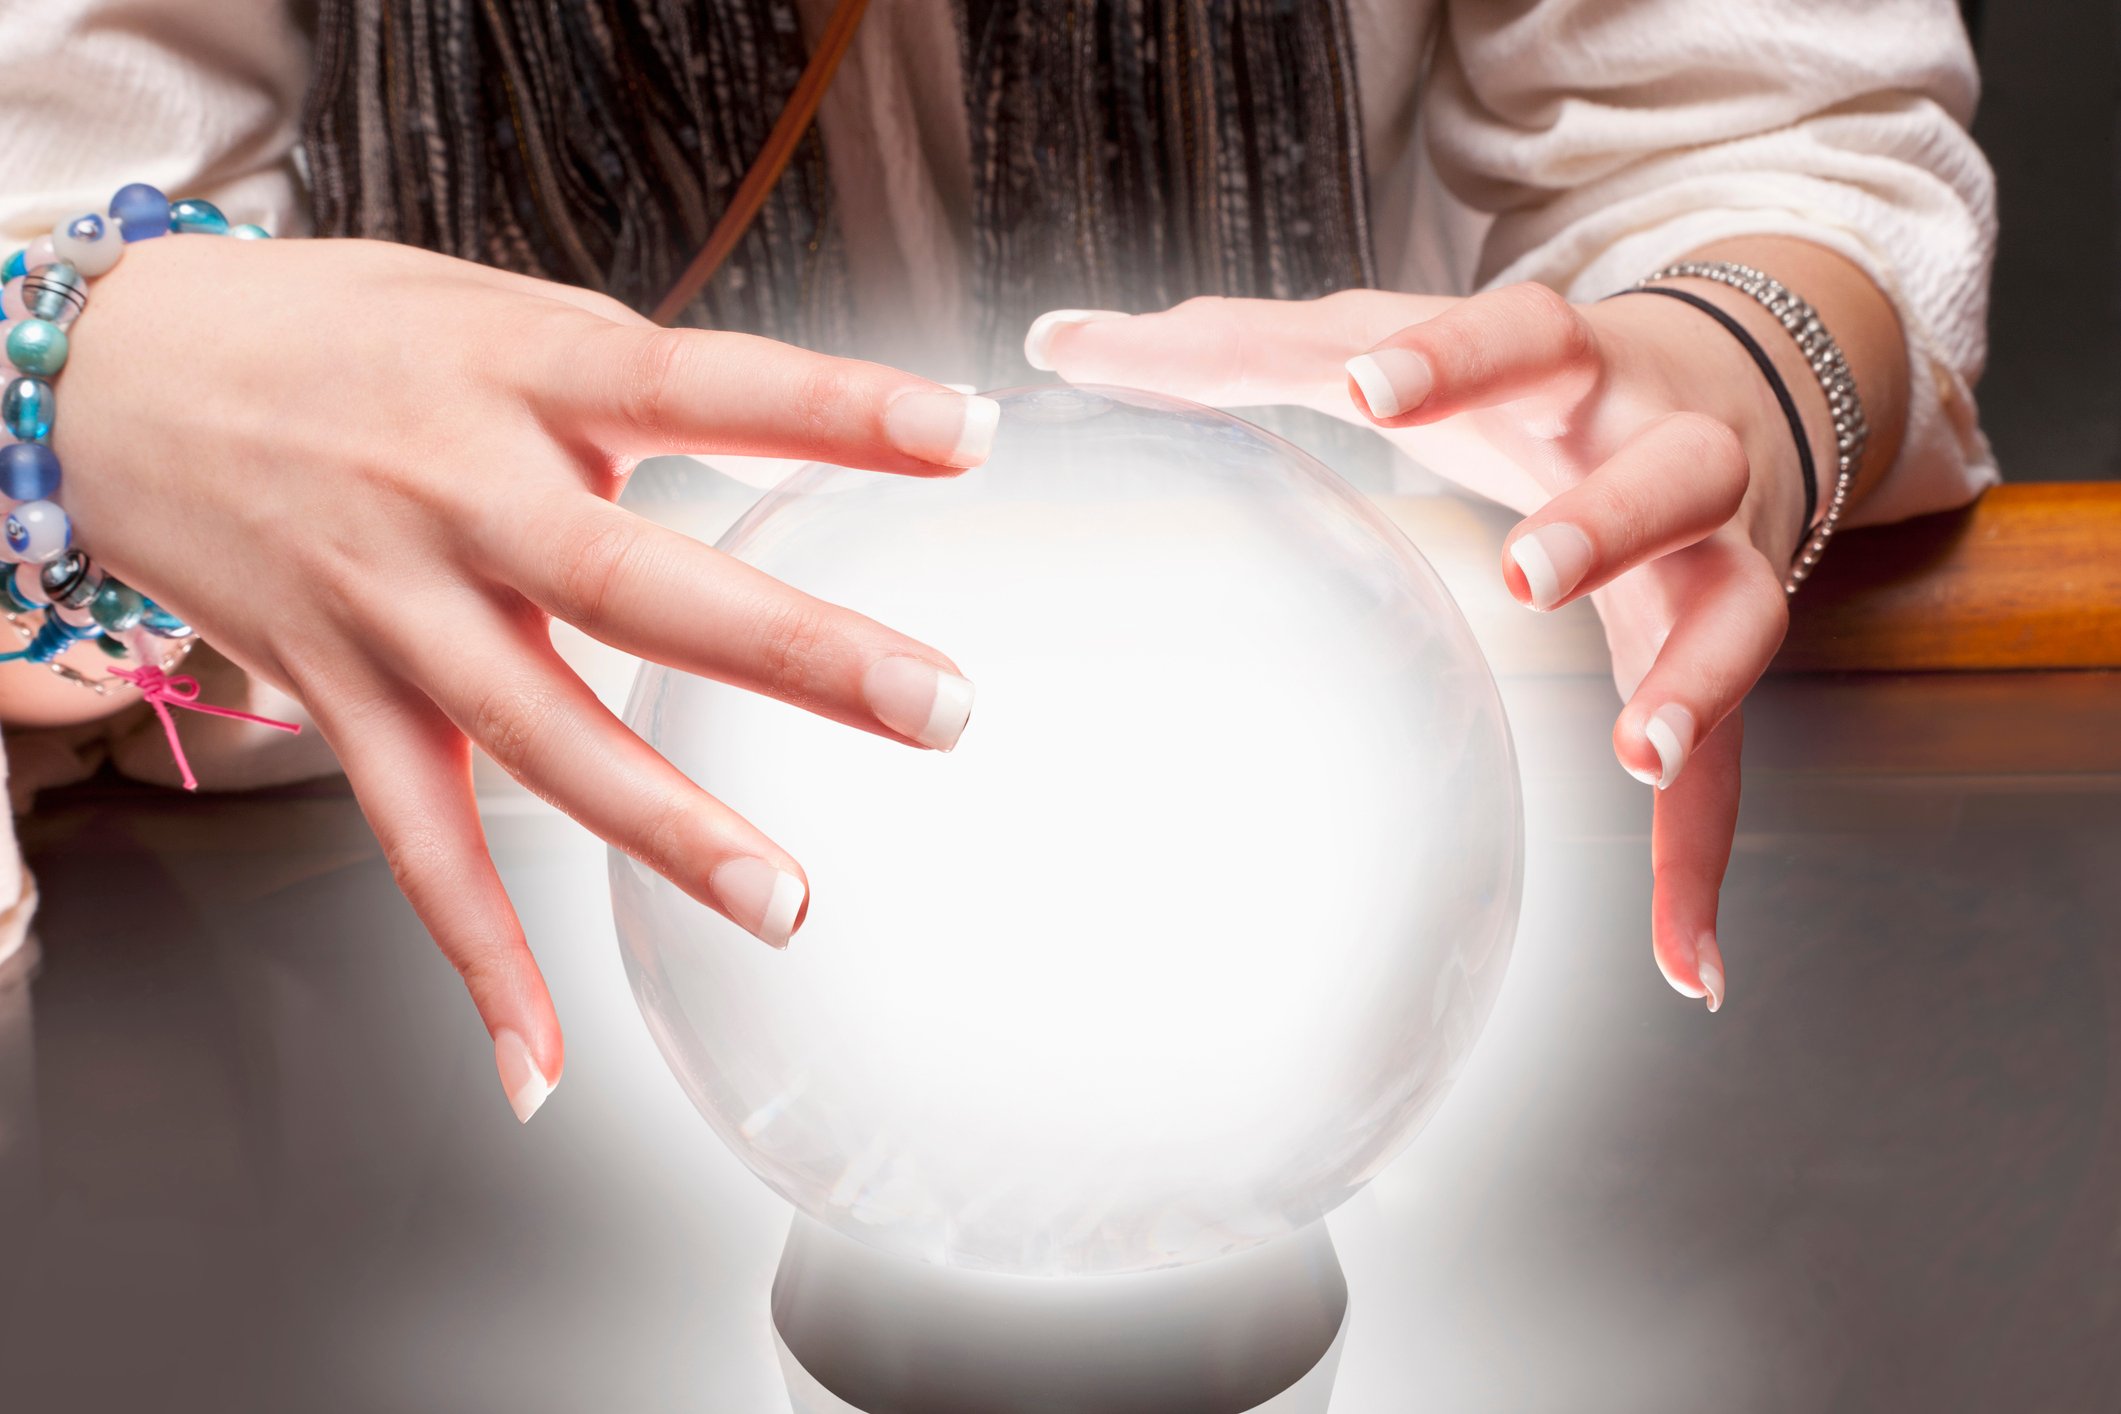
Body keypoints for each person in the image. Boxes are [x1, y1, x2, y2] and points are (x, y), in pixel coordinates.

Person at [0, 0, 1995, 1120]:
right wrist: (70, 383)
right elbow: (53, 165)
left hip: (1307, 869)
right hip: (326, 989)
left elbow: (1772, 140)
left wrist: (1720, 362)